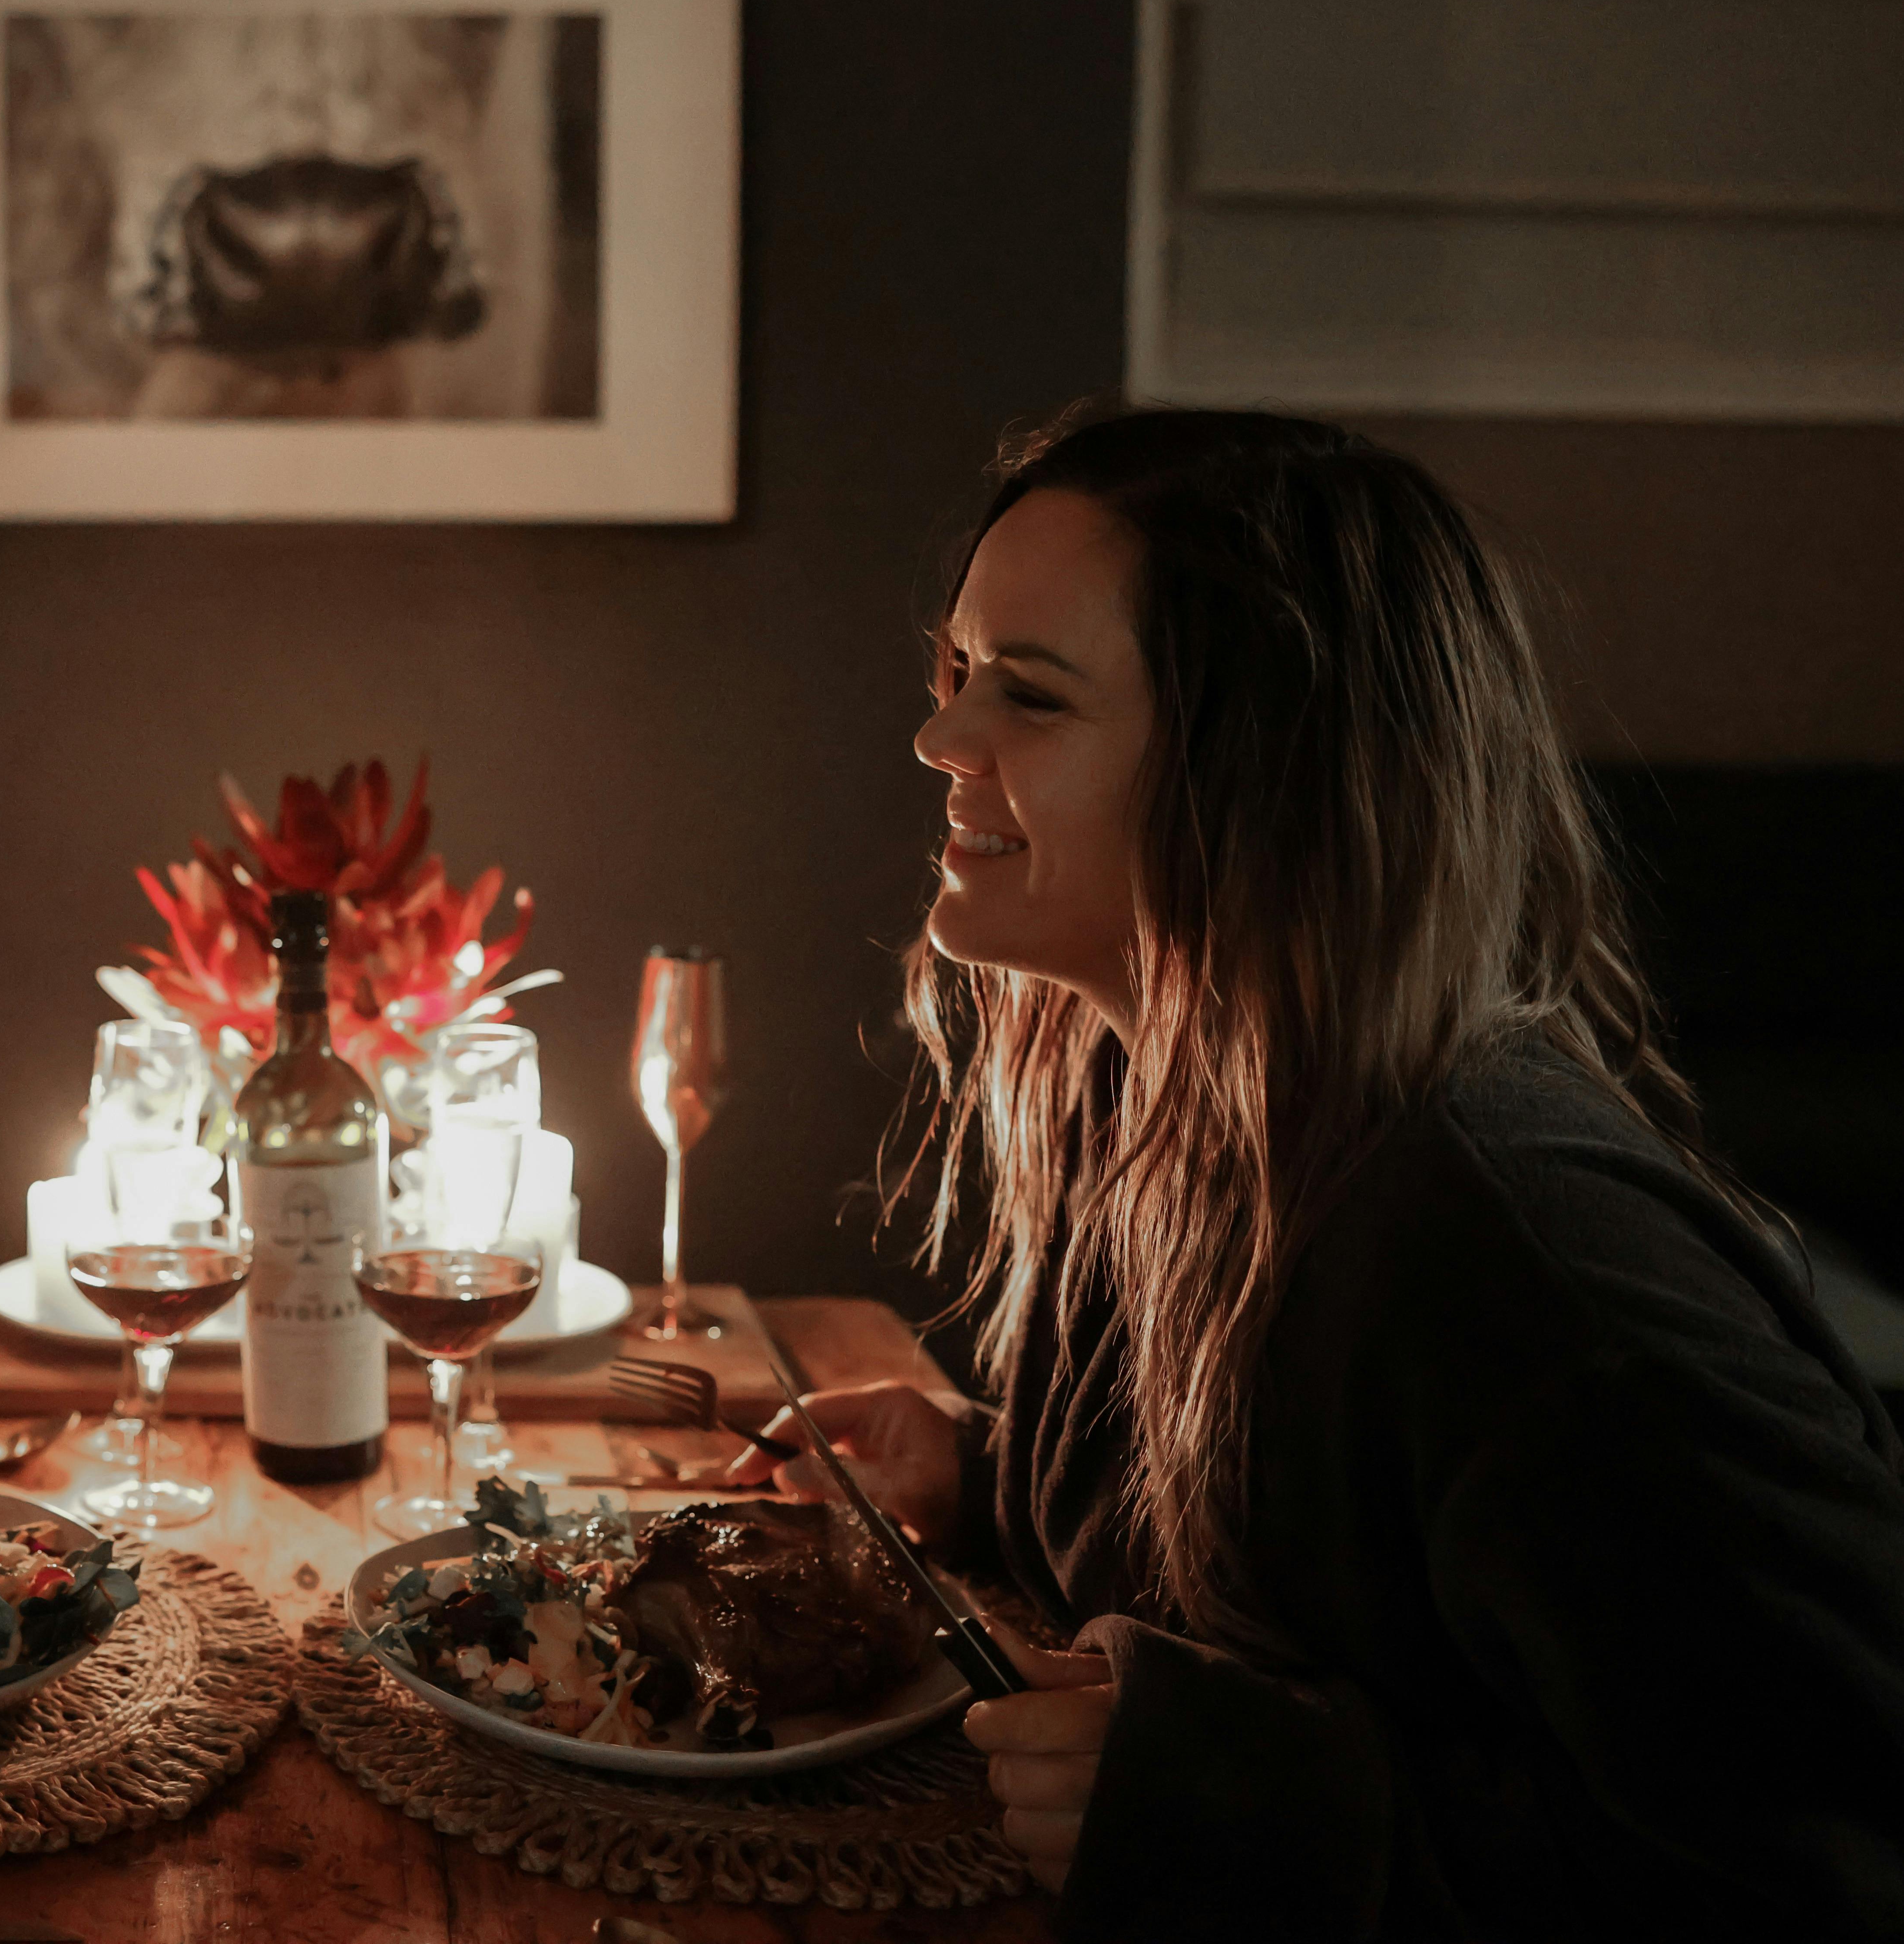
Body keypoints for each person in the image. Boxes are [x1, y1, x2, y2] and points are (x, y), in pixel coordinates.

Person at [752, 410, 1904, 1936]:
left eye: (1026, 695)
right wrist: (980, 1471)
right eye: (955, 672)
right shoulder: (1159, 1078)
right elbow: (1309, 1562)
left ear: (1264, 772)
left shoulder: (1514, 1254)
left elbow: (1829, 1863)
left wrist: (1235, 1809)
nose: (939, 740)